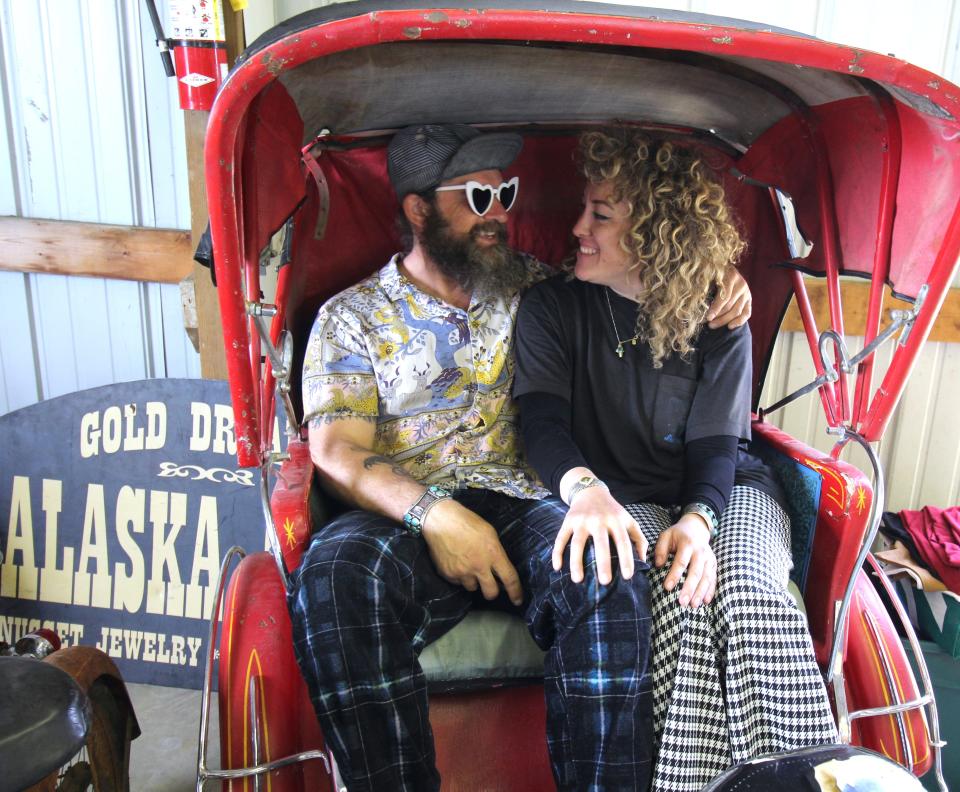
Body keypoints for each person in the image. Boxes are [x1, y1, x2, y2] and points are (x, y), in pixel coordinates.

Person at [289, 123, 751, 792]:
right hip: (402, 513)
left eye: (504, 193)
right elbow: (335, 452)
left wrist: (716, 275)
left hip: (525, 500)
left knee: (607, 559)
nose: (498, 214)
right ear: (418, 210)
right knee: (333, 576)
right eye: (476, 200)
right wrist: (436, 517)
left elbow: (641, 267)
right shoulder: (353, 316)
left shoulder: (534, 286)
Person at [513, 127, 839, 792]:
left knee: (749, 594)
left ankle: (801, 779)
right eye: (584, 208)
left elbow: (719, 445)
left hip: (724, 491)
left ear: (657, 230)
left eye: (600, 216)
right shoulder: (552, 308)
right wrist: (584, 492)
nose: (578, 227)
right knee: (677, 601)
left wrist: (698, 523)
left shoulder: (718, 313)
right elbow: (542, 425)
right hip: (616, 492)